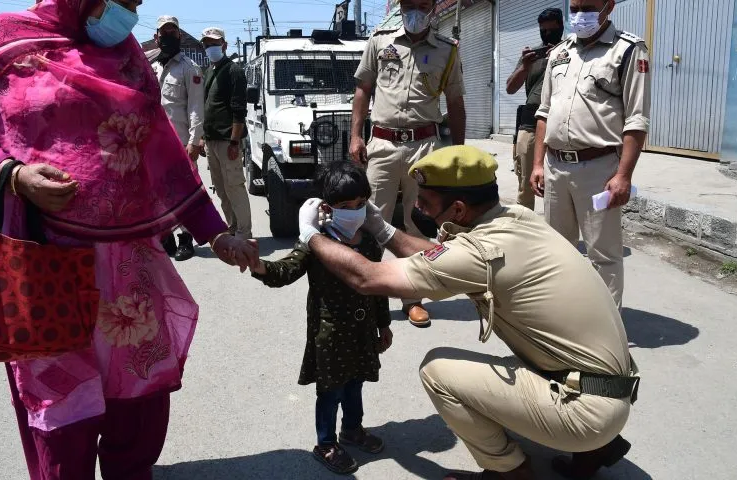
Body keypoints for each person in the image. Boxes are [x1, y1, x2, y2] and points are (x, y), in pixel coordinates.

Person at [0, 1, 259, 478]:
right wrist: (12, 175)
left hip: (129, 267)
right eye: (124, 2)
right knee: (62, 411)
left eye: (137, 4)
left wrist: (216, 233)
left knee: (140, 404)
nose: (130, 13)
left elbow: (162, 154)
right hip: (42, 262)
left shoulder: (128, 57)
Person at [296, 146, 640, 480]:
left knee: (437, 371)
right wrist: (383, 229)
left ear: (458, 209)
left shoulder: (482, 252)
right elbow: (438, 256)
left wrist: (311, 235)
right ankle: (594, 450)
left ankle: (509, 472)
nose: (416, 207)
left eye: (425, 201)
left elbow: (367, 278)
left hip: (588, 408)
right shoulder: (516, 219)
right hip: (610, 386)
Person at [250, 161, 393, 475]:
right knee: (330, 392)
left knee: (356, 384)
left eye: (361, 203)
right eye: (346, 206)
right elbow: (285, 270)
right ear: (327, 208)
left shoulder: (369, 241)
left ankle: (352, 429)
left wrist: (384, 324)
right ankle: (325, 443)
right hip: (330, 335)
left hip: (362, 332)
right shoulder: (316, 242)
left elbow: (378, 286)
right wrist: (258, 265)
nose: (355, 211)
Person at [349, 0, 467, 328]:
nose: (416, 11)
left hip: (424, 146)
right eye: (409, 4)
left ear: (433, 8)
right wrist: (356, 136)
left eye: (422, 5)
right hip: (383, 144)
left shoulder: (447, 50)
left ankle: (412, 298)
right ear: (400, 6)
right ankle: (368, 297)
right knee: (371, 221)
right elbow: (363, 89)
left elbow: (455, 102)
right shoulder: (380, 41)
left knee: (418, 224)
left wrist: (458, 153)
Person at [530, 0, 651, 309]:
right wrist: (537, 164)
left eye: (588, 7)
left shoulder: (628, 50)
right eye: (574, 8)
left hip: (599, 169)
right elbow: (544, 112)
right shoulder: (560, 53)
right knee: (558, 250)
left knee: (603, 254)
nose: (579, 15)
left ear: (609, 6)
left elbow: (636, 119)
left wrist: (623, 175)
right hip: (555, 167)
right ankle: (565, 315)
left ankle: (605, 326)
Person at [151, 15, 206, 261]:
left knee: (184, 192)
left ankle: (186, 239)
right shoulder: (152, 66)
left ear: (180, 36)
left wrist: (194, 141)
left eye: (172, 32)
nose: (168, 36)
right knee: (159, 193)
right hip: (154, 143)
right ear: (156, 37)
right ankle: (166, 238)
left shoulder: (189, 68)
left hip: (180, 142)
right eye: (164, 33)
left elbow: (196, 107)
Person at [505, 8, 563, 211]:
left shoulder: (571, 52)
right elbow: (510, 88)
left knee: (558, 186)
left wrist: (558, 58)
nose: (547, 35)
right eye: (543, 31)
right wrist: (524, 66)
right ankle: (525, 224)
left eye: (551, 31)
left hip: (561, 124)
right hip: (530, 123)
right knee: (526, 184)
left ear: (560, 27)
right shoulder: (531, 56)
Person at [200, 27, 253, 240]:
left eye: (214, 43)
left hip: (227, 140)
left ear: (224, 45)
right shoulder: (209, 71)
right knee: (221, 188)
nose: (210, 48)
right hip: (211, 140)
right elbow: (206, 105)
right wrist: (203, 136)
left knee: (234, 186)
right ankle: (232, 226)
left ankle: (244, 233)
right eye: (207, 44)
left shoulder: (234, 71)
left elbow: (239, 110)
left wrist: (234, 142)